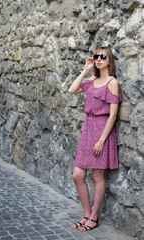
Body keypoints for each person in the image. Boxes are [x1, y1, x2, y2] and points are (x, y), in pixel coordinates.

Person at [68, 47, 122, 232]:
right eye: (96, 56)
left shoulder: (112, 82)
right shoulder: (91, 81)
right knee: (78, 175)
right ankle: (86, 213)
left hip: (102, 130)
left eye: (102, 56)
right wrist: (86, 69)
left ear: (109, 60)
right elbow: (72, 89)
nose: (98, 59)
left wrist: (101, 140)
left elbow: (113, 116)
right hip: (88, 129)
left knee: (98, 175)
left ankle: (94, 217)